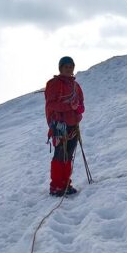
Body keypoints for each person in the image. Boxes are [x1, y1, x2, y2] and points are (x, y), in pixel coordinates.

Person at [45, 56, 85, 196]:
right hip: (60, 125)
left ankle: (65, 183)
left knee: (68, 155)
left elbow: (81, 104)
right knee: (60, 155)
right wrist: (69, 106)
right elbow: (51, 104)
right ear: (61, 68)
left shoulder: (76, 86)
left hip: (73, 125)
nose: (69, 69)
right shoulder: (54, 84)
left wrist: (79, 109)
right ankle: (56, 186)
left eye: (70, 66)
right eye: (66, 66)